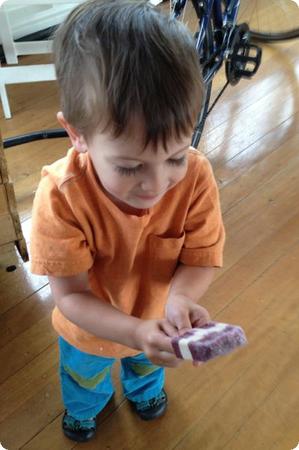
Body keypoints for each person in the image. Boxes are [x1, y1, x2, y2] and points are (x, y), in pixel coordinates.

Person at [30, 0, 225, 443]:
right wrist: (134, 330)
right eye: (130, 166)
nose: (156, 184)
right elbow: (72, 297)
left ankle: (143, 391)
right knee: (84, 380)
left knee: (148, 365)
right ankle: (85, 410)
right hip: (89, 331)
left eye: (174, 156)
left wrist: (179, 300)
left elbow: (200, 256)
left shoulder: (194, 176)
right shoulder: (62, 197)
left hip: (158, 323)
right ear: (77, 134)